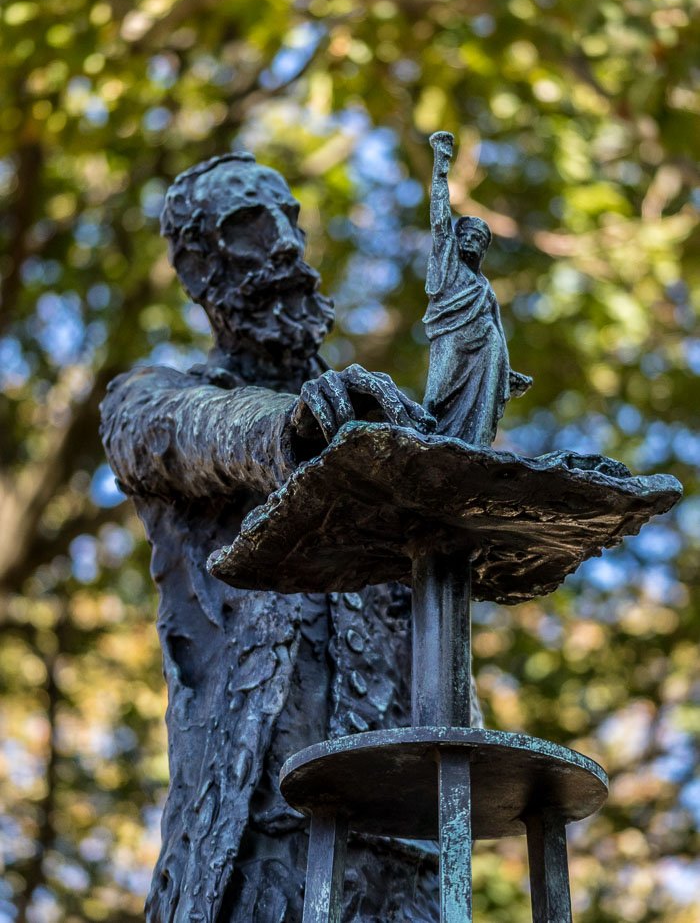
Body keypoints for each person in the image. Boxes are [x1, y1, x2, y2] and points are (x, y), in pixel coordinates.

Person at [100, 151, 440, 923]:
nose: (286, 243)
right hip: (258, 847)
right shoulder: (154, 400)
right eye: (252, 227)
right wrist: (288, 427)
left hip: (407, 849)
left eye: (290, 217)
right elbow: (197, 432)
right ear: (199, 268)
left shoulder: (382, 427)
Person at [423, 132, 531, 444]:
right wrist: (441, 163)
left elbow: (497, 325)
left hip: (488, 345)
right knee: (433, 402)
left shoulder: (485, 287)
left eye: (478, 239)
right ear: (456, 241)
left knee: (482, 411)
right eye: (466, 235)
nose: (470, 241)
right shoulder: (447, 263)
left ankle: (477, 445)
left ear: (483, 250)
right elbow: (440, 218)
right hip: (452, 339)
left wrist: (508, 372)